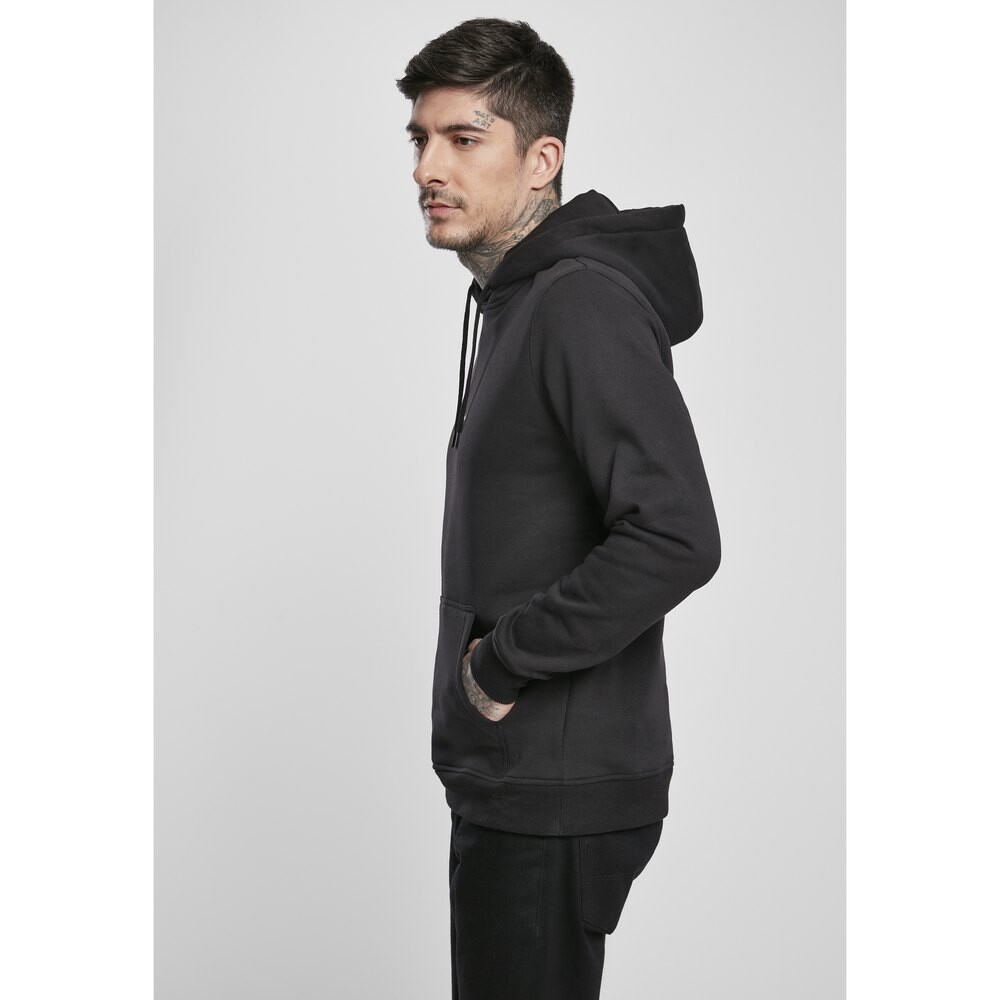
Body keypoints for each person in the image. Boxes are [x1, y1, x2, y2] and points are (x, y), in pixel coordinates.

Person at [397, 17, 722, 1000]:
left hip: (552, 785)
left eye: (464, 139)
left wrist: (501, 664)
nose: (428, 167)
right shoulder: (518, 301)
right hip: (518, 776)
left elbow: (677, 533)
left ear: (542, 161)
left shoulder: (578, 302)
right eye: (421, 138)